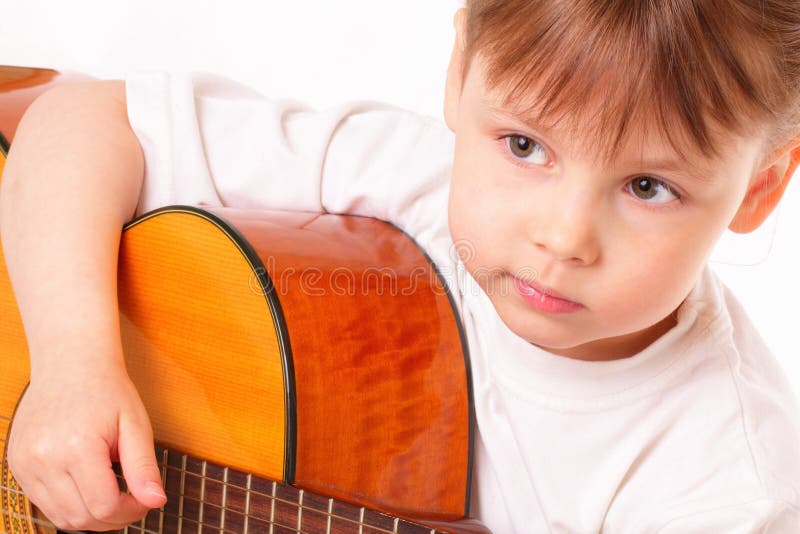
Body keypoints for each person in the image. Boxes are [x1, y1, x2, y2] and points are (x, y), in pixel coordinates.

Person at [2, 1, 800, 532]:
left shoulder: (723, 488)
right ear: (459, 76)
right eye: (524, 146)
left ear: (760, 186)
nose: (563, 237)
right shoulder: (402, 177)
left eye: (648, 187)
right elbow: (79, 119)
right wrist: (74, 368)